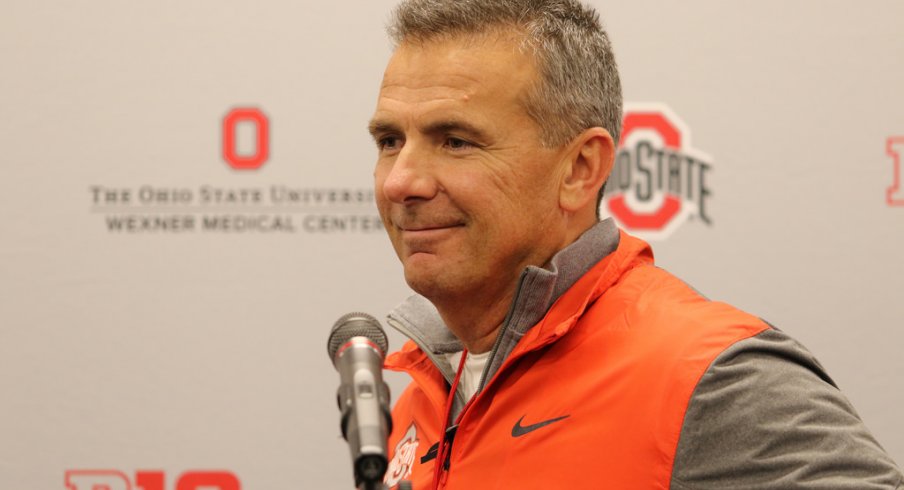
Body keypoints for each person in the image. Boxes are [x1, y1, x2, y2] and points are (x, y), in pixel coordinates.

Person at [366, 0, 903, 488]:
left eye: (456, 141)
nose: (400, 182)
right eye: (391, 141)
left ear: (580, 169)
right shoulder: (426, 390)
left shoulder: (710, 379)